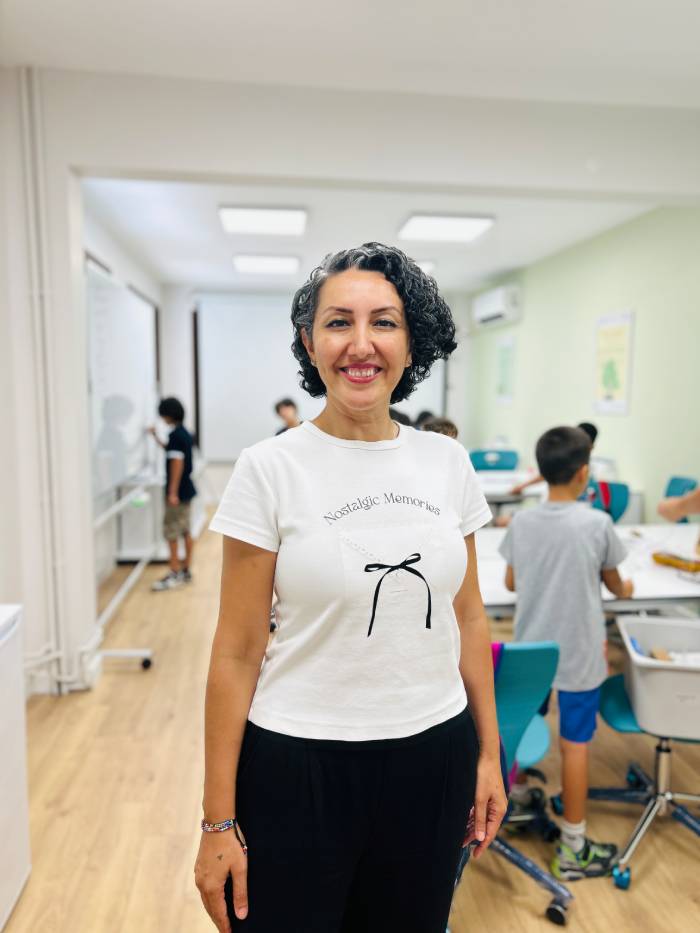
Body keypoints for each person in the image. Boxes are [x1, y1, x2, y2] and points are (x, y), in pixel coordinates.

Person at [195, 243, 507, 933]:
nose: (360, 344)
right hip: (298, 763)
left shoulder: (447, 461)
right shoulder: (269, 468)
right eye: (339, 322)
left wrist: (490, 755)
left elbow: (468, 615)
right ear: (310, 343)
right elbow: (237, 649)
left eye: (384, 322)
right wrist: (217, 820)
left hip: (434, 754)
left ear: (411, 343)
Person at [499, 426, 634, 881]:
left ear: (542, 471)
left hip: (531, 652)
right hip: (579, 652)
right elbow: (616, 584)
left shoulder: (522, 522)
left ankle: (517, 797)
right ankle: (574, 847)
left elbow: (511, 583)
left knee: (520, 729)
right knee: (575, 746)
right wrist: (626, 588)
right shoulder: (597, 523)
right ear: (583, 473)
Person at [148, 397, 197, 590]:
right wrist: (155, 437)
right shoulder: (183, 433)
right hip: (187, 489)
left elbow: (177, 463)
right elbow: (172, 451)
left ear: (168, 414)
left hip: (178, 492)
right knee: (185, 530)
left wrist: (172, 492)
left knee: (172, 532)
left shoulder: (176, 435)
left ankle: (175, 572)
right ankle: (185, 571)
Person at [510, 421, 599, 496]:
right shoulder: (572, 459)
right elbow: (550, 473)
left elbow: (549, 473)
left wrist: (523, 486)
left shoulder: (581, 462)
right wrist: (523, 486)